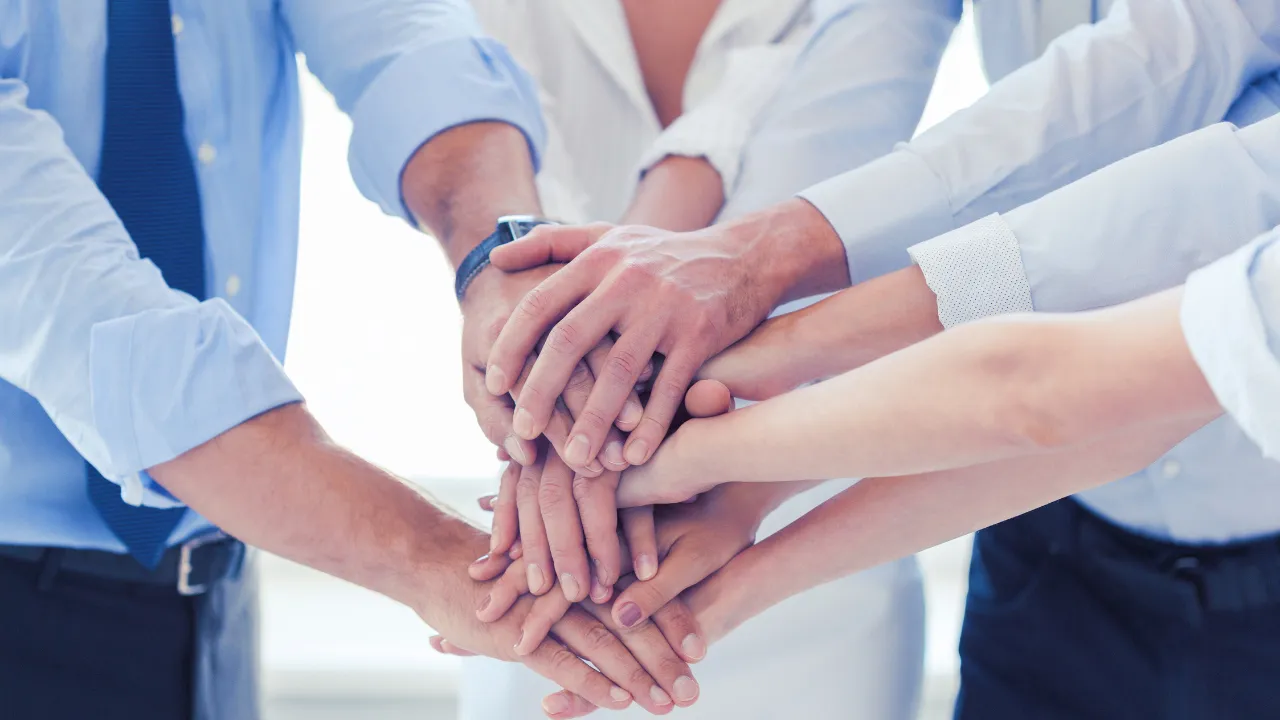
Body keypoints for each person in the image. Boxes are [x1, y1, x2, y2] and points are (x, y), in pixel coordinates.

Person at [478, 94, 1280, 718]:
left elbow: (1033, 390)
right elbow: (1130, 409)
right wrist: (731, 571)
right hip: (1055, 571)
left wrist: (671, 450)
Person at [0, 2, 698, 718]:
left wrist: (505, 270)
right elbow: (90, 316)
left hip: (215, 592)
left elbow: (406, 41)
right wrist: (437, 557)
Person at [461, 1, 927, 718]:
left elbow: (836, 142)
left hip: (811, 508)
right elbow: (490, 160)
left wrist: (575, 349)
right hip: (565, 535)